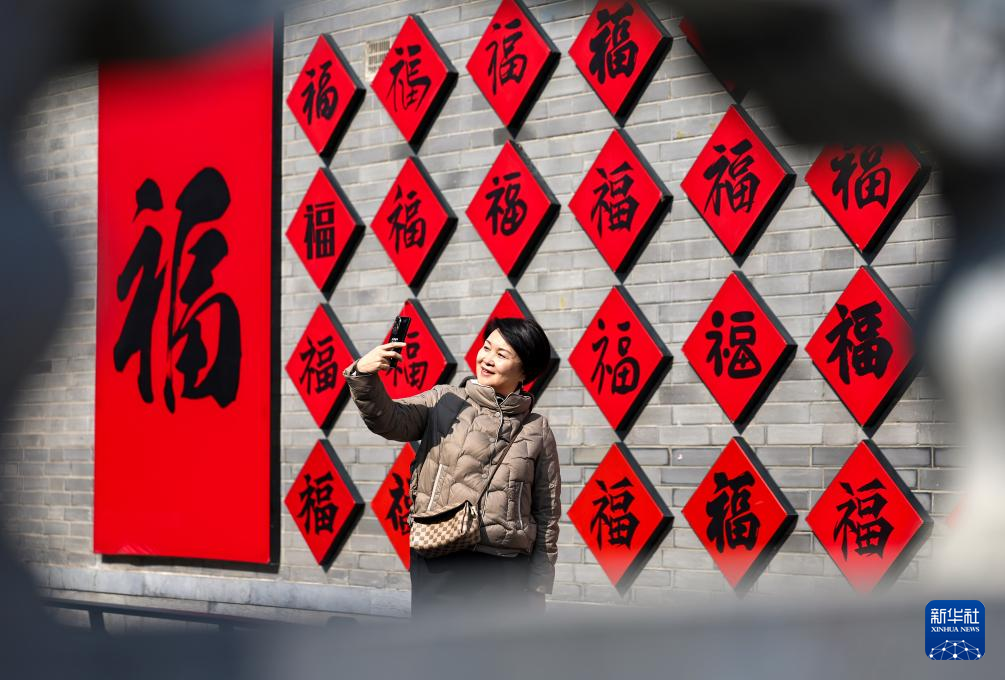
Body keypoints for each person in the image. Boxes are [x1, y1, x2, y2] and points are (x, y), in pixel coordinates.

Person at [343, 317, 561, 618]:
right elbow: (388, 420)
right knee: (436, 645)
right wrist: (363, 375)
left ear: (525, 371)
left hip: (504, 570)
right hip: (439, 556)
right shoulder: (444, 401)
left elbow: (547, 512)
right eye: (487, 348)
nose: (488, 359)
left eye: (502, 354)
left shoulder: (537, 429)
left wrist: (538, 584)